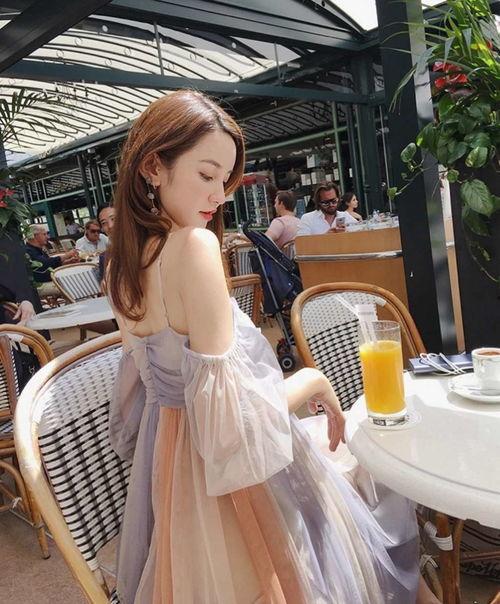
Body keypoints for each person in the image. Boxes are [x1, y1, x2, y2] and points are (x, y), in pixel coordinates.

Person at [107, 91, 438, 604]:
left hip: (166, 473)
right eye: (206, 174)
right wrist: (313, 380)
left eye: (224, 180)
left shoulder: (119, 267)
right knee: (369, 471)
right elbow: (230, 422)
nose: (218, 195)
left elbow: (142, 396)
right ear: (153, 166)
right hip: (230, 475)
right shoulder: (194, 247)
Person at [25, 224, 78, 297]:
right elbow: (44, 263)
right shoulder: (28, 251)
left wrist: (66, 262)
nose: (47, 237)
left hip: (50, 279)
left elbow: (49, 265)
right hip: (40, 285)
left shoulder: (37, 249)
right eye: (44, 234)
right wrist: (66, 256)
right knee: (72, 285)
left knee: (75, 280)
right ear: (34, 236)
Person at [97, 206, 115, 281]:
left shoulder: (145, 248)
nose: (110, 226)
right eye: (104, 223)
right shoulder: (104, 257)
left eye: (113, 219)